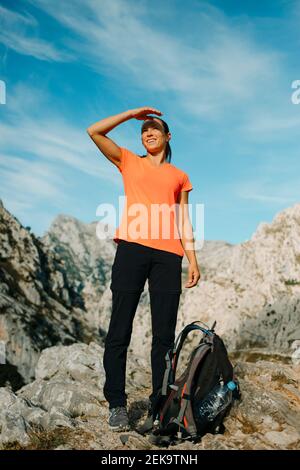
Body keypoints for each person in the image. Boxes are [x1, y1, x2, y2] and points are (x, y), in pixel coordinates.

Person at [86, 107, 201, 432]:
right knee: (119, 329)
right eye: (144, 129)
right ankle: (117, 405)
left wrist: (192, 259)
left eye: (154, 128)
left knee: (163, 338)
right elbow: (94, 131)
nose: (148, 132)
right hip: (132, 250)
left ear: (167, 136)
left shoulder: (180, 176)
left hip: (168, 256)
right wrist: (133, 113)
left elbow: (183, 220)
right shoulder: (127, 160)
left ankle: (159, 407)